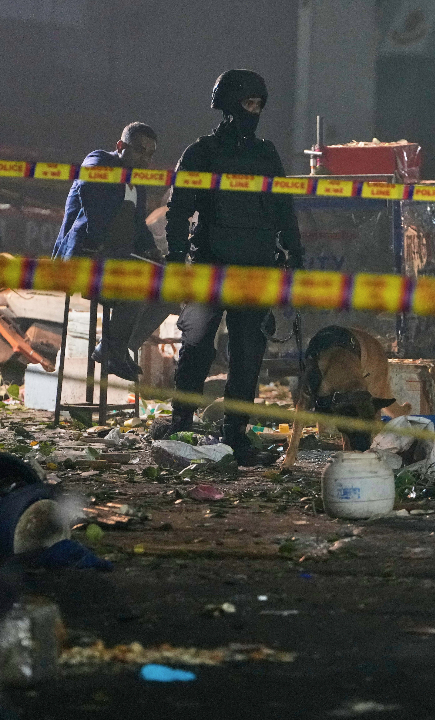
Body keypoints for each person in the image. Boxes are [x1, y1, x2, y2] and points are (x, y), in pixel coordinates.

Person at [165, 69, 304, 466]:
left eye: (259, 105)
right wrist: (176, 261)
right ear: (228, 105)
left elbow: (283, 208)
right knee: (196, 348)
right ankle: (181, 427)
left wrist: (295, 252)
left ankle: (235, 437)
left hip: (256, 269)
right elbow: (178, 211)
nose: (254, 112)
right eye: (248, 104)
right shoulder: (202, 152)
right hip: (210, 266)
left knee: (247, 354)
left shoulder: (266, 154)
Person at [53, 122, 170, 381]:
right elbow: (91, 190)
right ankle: (113, 350)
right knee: (139, 283)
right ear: (120, 146)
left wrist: (153, 252)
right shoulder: (99, 161)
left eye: (150, 155)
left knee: (169, 290)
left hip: (118, 259)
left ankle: (115, 347)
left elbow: (139, 226)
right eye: (140, 151)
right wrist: (109, 240)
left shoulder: (138, 184)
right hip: (87, 257)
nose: (145, 159)